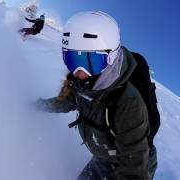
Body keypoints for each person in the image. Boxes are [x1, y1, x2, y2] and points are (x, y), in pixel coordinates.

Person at [36, 11, 158, 180]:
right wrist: (38, 106)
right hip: (104, 158)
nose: (80, 71)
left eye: (90, 62)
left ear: (111, 58)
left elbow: (134, 168)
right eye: (72, 60)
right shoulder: (82, 84)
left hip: (133, 162)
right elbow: (64, 102)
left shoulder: (128, 102)